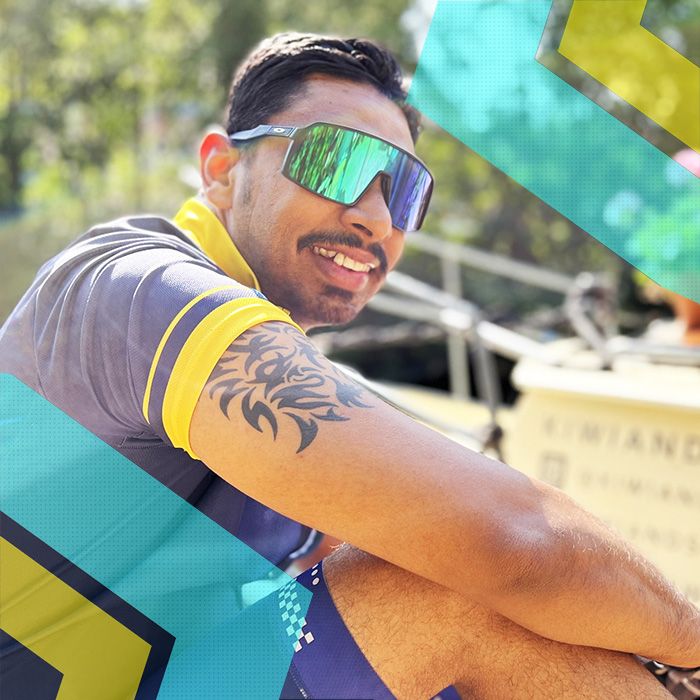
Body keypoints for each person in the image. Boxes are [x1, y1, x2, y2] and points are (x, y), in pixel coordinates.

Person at [1, 32, 698, 699]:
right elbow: (513, 540)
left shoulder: (279, 371)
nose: (375, 217)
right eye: (333, 160)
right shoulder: (137, 291)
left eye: (403, 192)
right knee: (452, 590)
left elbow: (458, 535)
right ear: (222, 167)